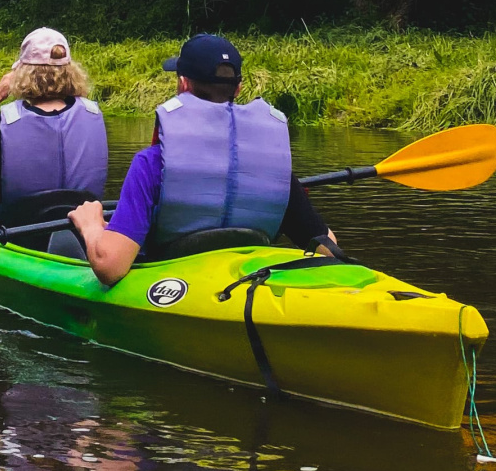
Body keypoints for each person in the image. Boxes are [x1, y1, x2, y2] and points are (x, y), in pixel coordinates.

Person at [69, 34, 338, 285]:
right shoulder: (273, 167)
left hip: (176, 287)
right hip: (247, 283)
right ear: (239, 87)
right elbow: (328, 248)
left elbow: (110, 266)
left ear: (183, 83)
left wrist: (91, 225)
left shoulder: (153, 163)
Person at [0, 28, 108, 235]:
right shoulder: (93, 112)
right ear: (71, 72)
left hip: (17, 234)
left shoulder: (8, 121)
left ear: (22, 74)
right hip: (81, 230)